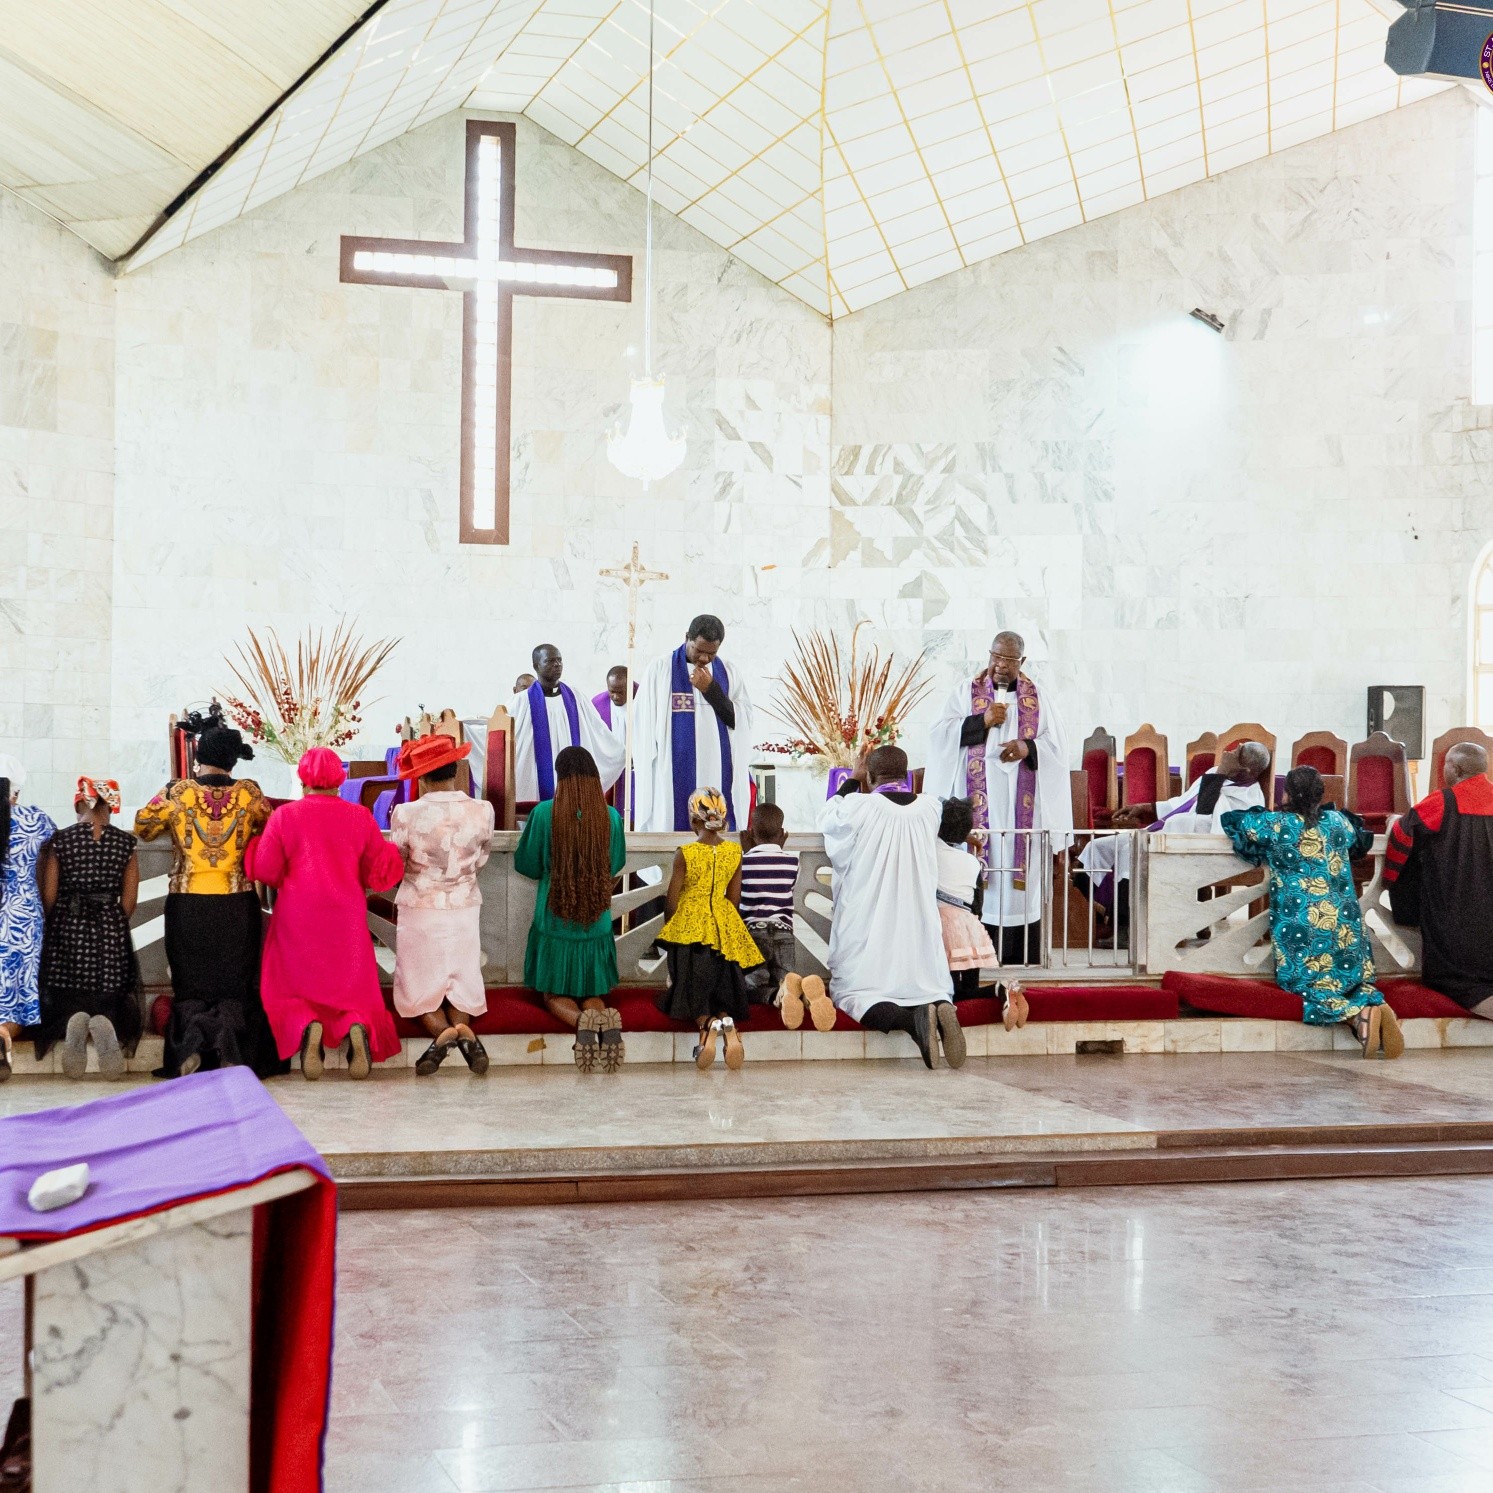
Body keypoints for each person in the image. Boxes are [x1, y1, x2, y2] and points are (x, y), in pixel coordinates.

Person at [245, 748, 405, 1080]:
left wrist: (252, 848)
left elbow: (266, 870)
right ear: (340, 778)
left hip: (297, 915)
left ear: (303, 779)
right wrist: (393, 851)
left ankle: (308, 1024)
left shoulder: (285, 816)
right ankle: (356, 1023)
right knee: (352, 987)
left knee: (287, 982)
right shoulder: (360, 815)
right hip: (346, 914)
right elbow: (378, 872)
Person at [134, 722, 281, 1078]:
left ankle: (191, 1047)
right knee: (234, 984)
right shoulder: (250, 793)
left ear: (199, 756)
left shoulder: (177, 792)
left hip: (188, 904)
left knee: (191, 984)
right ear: (233, 761)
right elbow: (272, 824)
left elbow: (142, 826)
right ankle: (232, 1048)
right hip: (236, 903)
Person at [1222, 766, 1401, 1058]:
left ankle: (1357, 1017)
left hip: (1301, 922)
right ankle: (1375, 1007)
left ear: (1287, 793)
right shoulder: (1337, 822)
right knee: (1351, 979)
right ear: (1321, 793)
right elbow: (1359, 838)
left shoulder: (1278, 824)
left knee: (1303, 984)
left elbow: (1237, 823)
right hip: (1345, 921)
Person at [925, 631, 1073, 966]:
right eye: (996, 657)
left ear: (1022, 661)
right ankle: (976, 959)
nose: (1000, 666)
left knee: (1021, 888)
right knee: (980, 885)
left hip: (1023, 812)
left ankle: (1023, 960)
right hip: (979, 812)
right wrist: (982, 720)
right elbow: (938, 736)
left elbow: (1058, 747)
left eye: (1009, 660)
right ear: (989, 654)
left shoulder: (1039, 698)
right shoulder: (965, 692)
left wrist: (1026, 747)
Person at [821, 746, 966, 1069]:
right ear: (909, 776)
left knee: (853, 994)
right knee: (927, 984)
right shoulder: (930, 808)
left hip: (870, 926)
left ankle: (912, 1020)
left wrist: (853, 780)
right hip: (917, 928)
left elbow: (829, 818)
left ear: (871, 776)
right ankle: (940, 1005)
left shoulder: (859, 806)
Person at [1080, 742, 1272, 937]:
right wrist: (1146, 807)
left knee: (1131, 849)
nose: (1228, 753)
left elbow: (1205, 817)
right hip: (1171, 834)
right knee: (1098, 847)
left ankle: (1125, 929)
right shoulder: (1216, 774)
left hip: (1201, 848)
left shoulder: (1248, 795)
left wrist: (1222, 771)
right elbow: (1183, 802)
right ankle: (1098, 917)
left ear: (1246, 769)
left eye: (1236, 753)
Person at [515, 745, 628, 1071]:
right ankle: (603, 1022)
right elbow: (615, 863)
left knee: (553, 996)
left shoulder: (544, 814)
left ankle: (582, 1024)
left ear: (560, 777)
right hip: (596, 922)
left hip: (555, 921)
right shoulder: (610, 817)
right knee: (592, 992)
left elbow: (527, 863)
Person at [389, 734, 495, 1076]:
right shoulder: (482, 810)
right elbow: (482, 859)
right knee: (461, 979)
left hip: (420, 906)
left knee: (419, 985)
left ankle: (443, 1034)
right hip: (464, 905)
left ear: (421, 777)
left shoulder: (406, 813)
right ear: (456, 769)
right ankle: (465, 1033)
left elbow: (398, 862)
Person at [38, 777, 142, 1080]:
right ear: (110, 807)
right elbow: (130, 898)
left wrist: (58, 921)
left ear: (80, 803)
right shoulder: (125, 843)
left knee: (66, 992)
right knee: (110, 990)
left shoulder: (61, 840)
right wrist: (112, 921)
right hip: (109, 927)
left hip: (68, 926)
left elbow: (49, 895)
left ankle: (74, 1020)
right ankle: (104, 1019)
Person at [657, 787, 763, 1070]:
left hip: (691, 929)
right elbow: (734, 899)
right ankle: (727, 1021)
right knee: (722, 987)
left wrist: (672, 934)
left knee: (689, 990)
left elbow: (671, 902)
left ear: (694, 821)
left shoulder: (686, 853)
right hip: (724, 928)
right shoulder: (734, 851)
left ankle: (708, 1023)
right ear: (724, 819)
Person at [1384, 742, 1493, 1016]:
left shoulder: (1443, 802)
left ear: (1455, 768)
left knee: (1460, 982)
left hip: (1455, 919)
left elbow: (1403, 833)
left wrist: (1392, 822)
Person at [634, 616, 753, 833]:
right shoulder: (661, 670)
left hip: (718, 768)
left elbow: (741, 720)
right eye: (699, 650)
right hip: (670, 771)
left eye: (712, 653)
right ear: (686, 638)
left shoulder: (729, 672)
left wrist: (711, 690)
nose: (705, 658)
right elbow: (642, 725)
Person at [936, 797, 1027, 1030]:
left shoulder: (930, 852)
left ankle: (997, 989)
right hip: (969, 928)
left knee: (949, 992)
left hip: (940, 929)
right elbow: (978, 905)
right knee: (968, 986)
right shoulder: (971, 863)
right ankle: (1003, 990)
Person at [739, 802, 831, 1031]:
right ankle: (805, 997)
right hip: (784, 932)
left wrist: (747, 851)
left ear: (750, 832)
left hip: (753, 933)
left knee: (749, 986)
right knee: (783, 975)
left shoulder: (744, 863)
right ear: (782, 834)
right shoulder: (792, 863)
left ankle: (776, 996)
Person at [511, 644, 623, 805]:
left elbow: (598, 731)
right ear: (536, 666)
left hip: (573, 781)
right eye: (550, 661)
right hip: (534, 783)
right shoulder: (521, 702)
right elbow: (501, 738)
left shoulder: (576, 697)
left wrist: (621, 752)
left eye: (559, 660)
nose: (557, 665)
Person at [0, 757, 56, 1079]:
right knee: (19, 994)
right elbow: (56, 840)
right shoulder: (33, 819)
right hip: (23, 915)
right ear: (15, 792)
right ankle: (6, 1033)